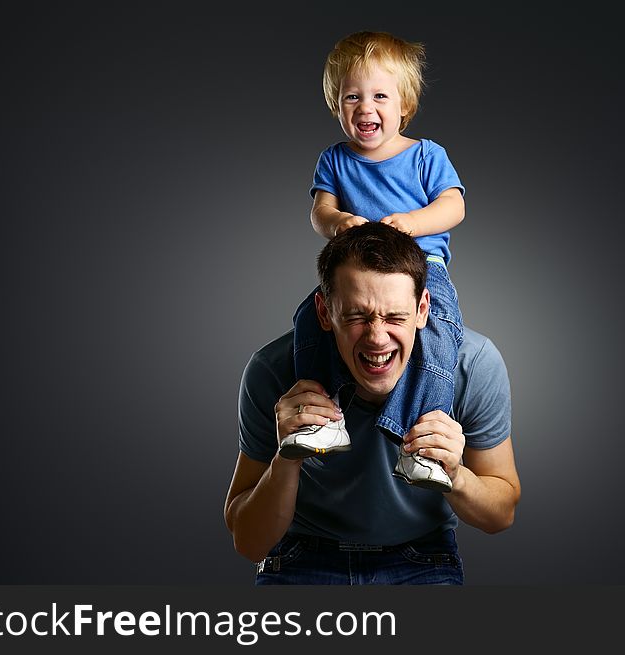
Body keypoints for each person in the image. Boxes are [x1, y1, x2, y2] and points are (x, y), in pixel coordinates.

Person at [224, 222, 520, 584]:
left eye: (396, 317)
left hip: (422, 557)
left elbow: (501, 515)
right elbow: (249, 542)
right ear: (324, 313)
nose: (377, 338)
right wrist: (287, 459)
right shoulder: (274, 369)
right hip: (301, 555)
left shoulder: (471, 365)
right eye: (356, 316)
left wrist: (456, 476)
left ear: (424, 308)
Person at [285, 31, 466, 492]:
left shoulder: (426, 154)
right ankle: (322, 417)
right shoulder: (334, 159)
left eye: (380, 95)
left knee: (441, 330)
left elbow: (454, 206)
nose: (366, 107)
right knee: (310, 318)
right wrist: (340, 221)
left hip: (421, 266)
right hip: (354, 277)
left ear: (404, 103)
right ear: (336, 107)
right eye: (352, 97)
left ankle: (424, 438)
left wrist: (413, 220)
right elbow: (319, 212)